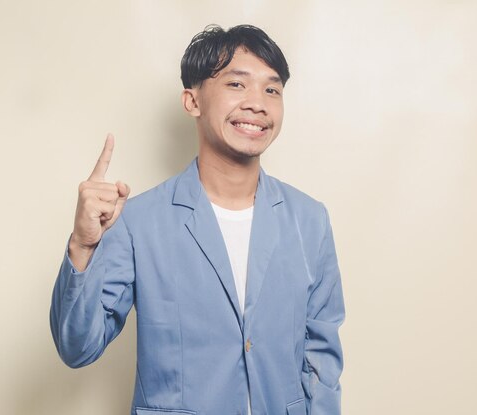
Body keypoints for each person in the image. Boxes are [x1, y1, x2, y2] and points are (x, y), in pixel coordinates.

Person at [50, 24, 345, 415]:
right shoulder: (139, 222)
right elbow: (77, 347)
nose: (258, 103)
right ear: (192, 102)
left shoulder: (310, 220)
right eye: (237, 85)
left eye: (272, 89)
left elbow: (321, 355)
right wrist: (83, 246)